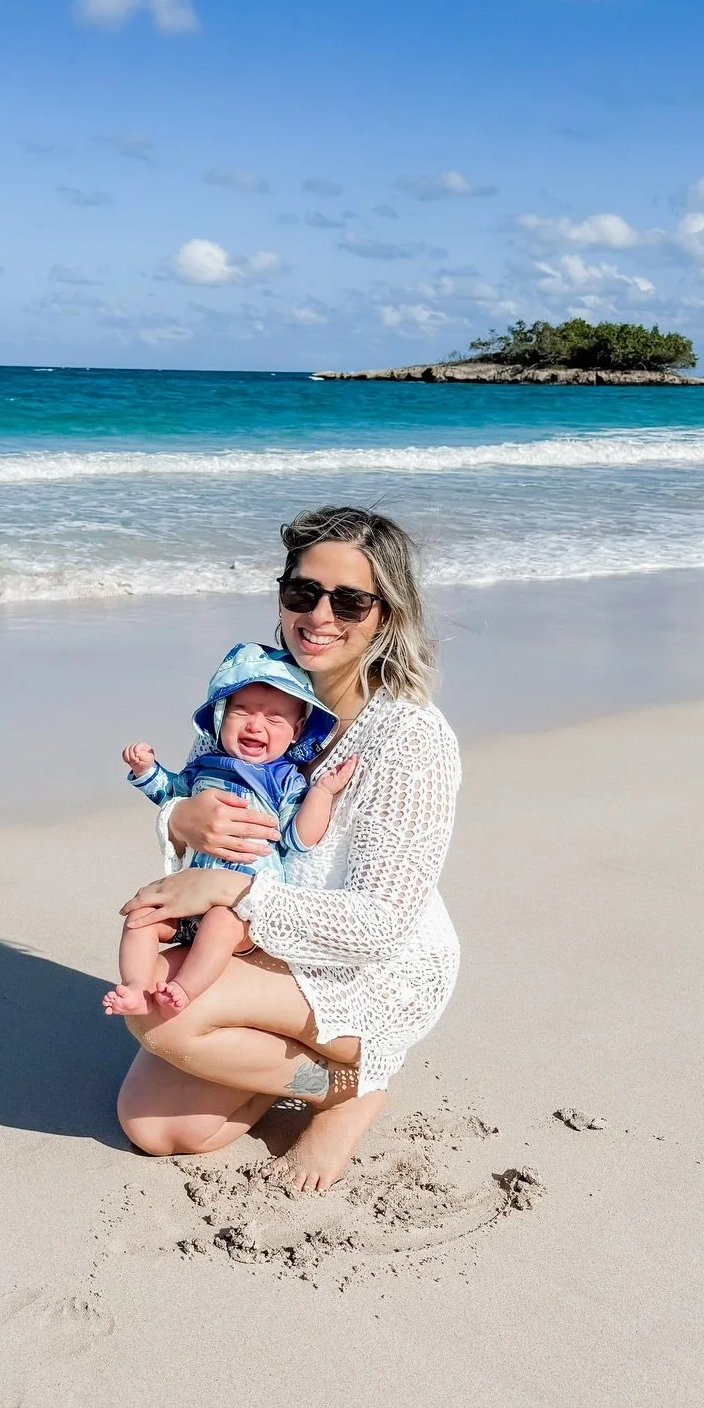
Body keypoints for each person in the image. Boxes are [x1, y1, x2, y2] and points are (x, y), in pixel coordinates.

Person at [115, 505, 462, 1192]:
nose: (320, 615)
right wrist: (180, 821)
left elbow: (382, 924)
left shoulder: (409, 738)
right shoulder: (253, 693)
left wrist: (236, 893)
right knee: (161, 1129)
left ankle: (348, 1090)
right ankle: (311, 1079)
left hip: (376, 966)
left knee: (162, 1015)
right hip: (262, 940)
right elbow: (197, 821)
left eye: (350, 600)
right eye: (303, 592)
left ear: (387, 614)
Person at [104, 644, 359, 1019]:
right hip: (188, 899)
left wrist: (321, 792)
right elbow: (171, 794)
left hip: (243, 908)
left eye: (275, 718)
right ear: (221, 717)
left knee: (221, 925)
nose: (255, 724)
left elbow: (298, 837)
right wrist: (147, 771)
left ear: (297, 730)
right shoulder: (205, 766)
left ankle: (185, 989)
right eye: (242, 712)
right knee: (142, 915)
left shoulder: (284, 780)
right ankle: (137, 988)